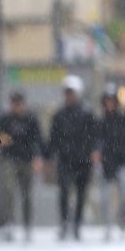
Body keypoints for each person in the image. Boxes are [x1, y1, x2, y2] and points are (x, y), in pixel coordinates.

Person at [46, 75, 97, 240]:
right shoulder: (59, 115)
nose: (69, 96)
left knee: (81, 194)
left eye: (72, 93)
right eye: (67, 93)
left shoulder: (87, 114)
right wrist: (48, 156)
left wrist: (94, 151)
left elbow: (94, 136)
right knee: (64, 191)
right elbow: (53, 137)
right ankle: (64, 223)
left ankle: (77, 224)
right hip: (65, 159)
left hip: (83, 160)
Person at [0, 92, 45, 241]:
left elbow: (38, 140)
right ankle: (9, 222)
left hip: (27, 160)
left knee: (26, 193)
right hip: (10, 159)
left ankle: (27, 224)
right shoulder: (5, 120)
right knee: (9, 191)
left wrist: (37, 157)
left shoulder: (31, 119)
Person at [96, 87, 125, 240]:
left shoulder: (122, 120)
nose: (109, 104)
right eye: (107, 101)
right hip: (106, 164)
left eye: (112, 101)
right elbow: (96, 142)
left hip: (121, 162)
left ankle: (122, 223)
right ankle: (107, 226)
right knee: (105, 198)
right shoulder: (100, 122)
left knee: (124, 195)